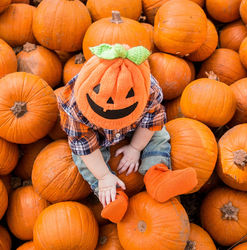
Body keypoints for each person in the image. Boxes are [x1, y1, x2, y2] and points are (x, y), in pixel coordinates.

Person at [57, 44, 198, 223]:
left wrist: (135, 148)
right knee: (81, 157)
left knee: (159, 133)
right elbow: (84, 143)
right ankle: (111, 195)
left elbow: (150, 121)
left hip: (135, 125)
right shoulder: (74, 104)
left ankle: (158, 175)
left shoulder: (147, 89)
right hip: (96, 136)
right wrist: (104, 176)